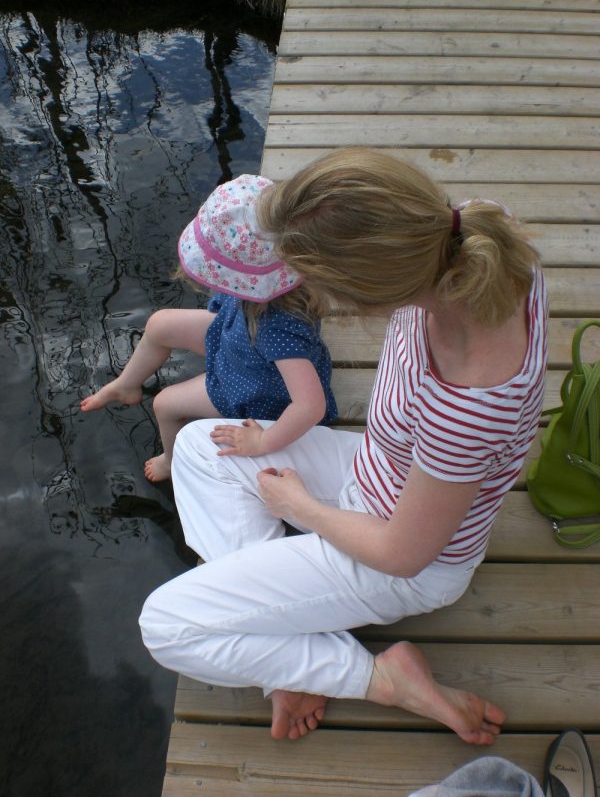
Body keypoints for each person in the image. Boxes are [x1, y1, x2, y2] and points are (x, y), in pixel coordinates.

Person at [139, 147, 548, 744]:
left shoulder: (467, 399)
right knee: (204, 444)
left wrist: (300, 511)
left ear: (364, 294)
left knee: (169, 626)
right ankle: (286, 644)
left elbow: (403, 555)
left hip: (408, 558)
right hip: (379, 469)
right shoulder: (472, 229)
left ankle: (376, 675)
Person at [80, 174, 337, 481]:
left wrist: (262, 441)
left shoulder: (278, 328)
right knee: (160, 324)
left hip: (257, 388)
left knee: (165, 405)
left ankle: (171, 461)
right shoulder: (275, 276)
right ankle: (126, 385)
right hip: (242, 343)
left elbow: (310, 406)